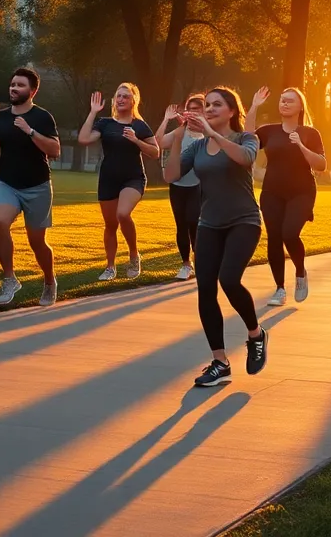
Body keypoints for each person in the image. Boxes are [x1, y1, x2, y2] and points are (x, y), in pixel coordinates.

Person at [164, 87, 269, 388]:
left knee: (230, 280)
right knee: (205, 289)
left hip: (244, 221)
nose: (209, 108)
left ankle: (255, 334)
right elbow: (171, 176)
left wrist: (211, 132)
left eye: (216, 105)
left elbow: (245, 159)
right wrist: (178, 138)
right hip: (209, 223)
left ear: (232, 111)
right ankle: (220, 362)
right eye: (206, 105)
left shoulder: (245, 138)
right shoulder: (196, 149)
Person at [0, 67, 61, 307]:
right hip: (7, 182)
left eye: (20, 85)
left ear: (33, 90)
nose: (14, 88)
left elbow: (55, 151)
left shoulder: (42, 117)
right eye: (12, 84)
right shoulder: (0, 118)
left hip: (37, 185)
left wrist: (30, 132)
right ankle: (9, 278)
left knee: (37, 241)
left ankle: (49, 281)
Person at [250, 87, 326, 306]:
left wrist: (301, 145)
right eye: (282, 100)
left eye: (290, 101)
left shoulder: (310, 133)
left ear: (300, 106)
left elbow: (321, 165)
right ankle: (280, 289)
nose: (284, 103)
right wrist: (254, 106)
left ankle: (300, 273)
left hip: (301, 192)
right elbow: (247, 138)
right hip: (272, 192)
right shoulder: (268, 131)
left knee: (289, 234)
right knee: (274, 237)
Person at [78, 83, 160, 280]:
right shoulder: (105, 123)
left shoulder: (139, 125)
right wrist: (93, 112)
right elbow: (84, 139)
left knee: (123, 214)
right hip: (108, 179)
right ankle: (110, 266)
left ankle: (133, 254)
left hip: (133, 178)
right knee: (110, 224)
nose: (121, 99)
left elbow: (155, 152)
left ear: (133, 101)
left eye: (126, 96)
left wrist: (136, 141)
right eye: (118, 96)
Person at [157, 94, 206, 280]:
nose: (194, 112)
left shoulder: (206, 134)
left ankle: (199, 259)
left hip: (197, 185)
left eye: (198, 109)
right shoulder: (180, 131)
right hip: (177, 185)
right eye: (191, 109)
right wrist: (166, 120)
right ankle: (186, 264)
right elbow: (159, 142)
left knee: (194, 221)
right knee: (182, 225)